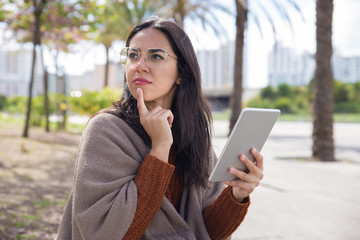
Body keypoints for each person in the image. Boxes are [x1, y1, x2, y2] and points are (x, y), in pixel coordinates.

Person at [57, 17, 264, 240]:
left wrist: (236, 195)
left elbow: (205, 232)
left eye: (156, 56)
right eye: (133, 55)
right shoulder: (106, 129)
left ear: (181, 73)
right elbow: (110, 233)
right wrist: (160, 147)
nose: (139, 66)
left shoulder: (194, 139)